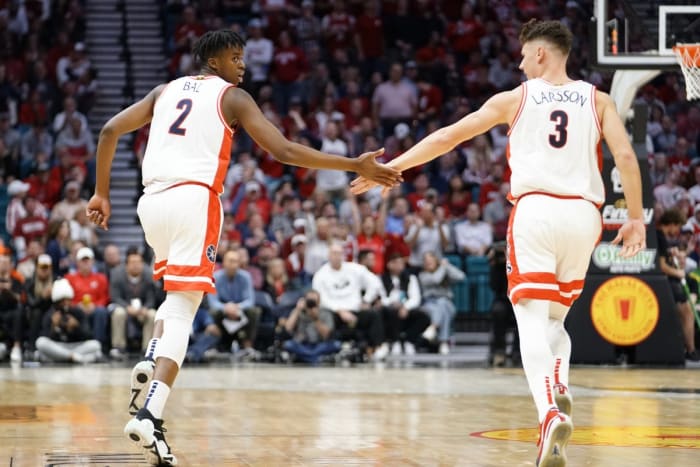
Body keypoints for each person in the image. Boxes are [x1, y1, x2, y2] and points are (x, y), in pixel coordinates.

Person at [84, 29, 400, 466]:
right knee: (182, 308)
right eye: (235, 57)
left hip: (150, 203)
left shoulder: (163, 91)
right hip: (194, 199)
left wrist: (101, 193)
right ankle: (150, 415)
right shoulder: (232, 97)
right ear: (214, 63)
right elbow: (284, 150)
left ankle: (151, 357)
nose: (242, 66)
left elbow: (108, 130)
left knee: (172, 297)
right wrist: (351, 163)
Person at [351, 19, 646, 467]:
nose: (521, 63)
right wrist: (637, 219)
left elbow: (449, 136)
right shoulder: (598, 99)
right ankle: (560, 387)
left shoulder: (516, 98)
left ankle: (547, 413)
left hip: (537, 211)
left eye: (525, 55)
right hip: (586, 216)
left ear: (542, 54)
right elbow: (625, 157)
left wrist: (394, 166)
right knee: (555, 322)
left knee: (529, 320)